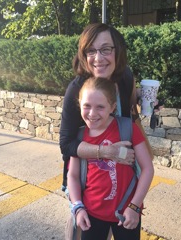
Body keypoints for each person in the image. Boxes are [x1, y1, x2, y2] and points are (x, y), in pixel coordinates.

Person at [59, 23, 156, 240]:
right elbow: (66, 145)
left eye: (105, 49)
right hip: (89, 188)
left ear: (117, 51)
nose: (98, 58)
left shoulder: (125, 77)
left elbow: (129, 109)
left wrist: (145, 99)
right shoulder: (78, 89)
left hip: (125, 185)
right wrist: (106, 152)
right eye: (90, 51)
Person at [67, 77, 154, 240]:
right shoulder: (79, 136)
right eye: (86, 106)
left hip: (127, 212)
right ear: (79, 104)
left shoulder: (128, 128)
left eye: (100, 107)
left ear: (112, 107)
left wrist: (134, 207)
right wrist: (78, 207)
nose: (92, 114)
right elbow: (72, 175)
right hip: (91, 214)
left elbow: (148, 169)